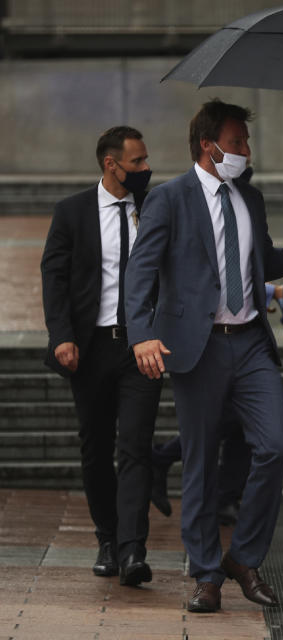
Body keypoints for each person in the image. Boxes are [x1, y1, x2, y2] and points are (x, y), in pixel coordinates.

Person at [124, 99, 283, 613]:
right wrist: (141, 334)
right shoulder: (169, 199)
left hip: (249, 343)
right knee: (199, 464)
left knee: (275, 446)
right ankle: (205, 574)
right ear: (209, 143)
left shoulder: (251, 197)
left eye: (246, 142)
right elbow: (140, 270)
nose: (246, 150)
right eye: (238, 141)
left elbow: (262, 261)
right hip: (195, 347)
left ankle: (242, 557)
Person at [40, 126, 163, 586]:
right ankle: (108, 539)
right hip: (89, 349)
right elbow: (54, 277)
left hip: (141, 346)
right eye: (137, 162)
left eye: (146, 160)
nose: (146, 169)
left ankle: (133, 551)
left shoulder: (155, 209)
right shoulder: (71, 213)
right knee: (95, 449)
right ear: (112, 165)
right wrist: (61, 336)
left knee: (135, 445)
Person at [150, 283, 283, 525]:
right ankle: (218, 496)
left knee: (243, 425)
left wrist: (260, 294)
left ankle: (221, 494)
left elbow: (236, 261)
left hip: (246, 340)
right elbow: (211, 268)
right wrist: (268, 292)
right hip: (205, 338)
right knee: (226, 423)